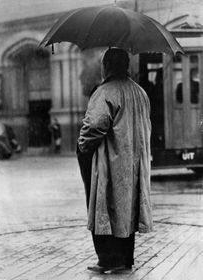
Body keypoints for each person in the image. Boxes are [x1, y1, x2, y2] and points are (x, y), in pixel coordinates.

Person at [77, 48, 153, 274]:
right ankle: (125, 258)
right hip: (134, 160)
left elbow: (94, 126)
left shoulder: (105, 92)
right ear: (126, 66)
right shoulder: (140, 92)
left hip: (110, 160)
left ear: (107, 66)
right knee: (128, 207)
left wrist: (82, 145)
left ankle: (108, 259)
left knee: (104, 205)